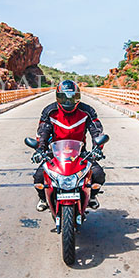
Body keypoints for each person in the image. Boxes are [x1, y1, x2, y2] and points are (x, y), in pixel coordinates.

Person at [33, 80, 106, 212]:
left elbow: (96, 131)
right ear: (58, 97)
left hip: (79, 152)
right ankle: (43, 198)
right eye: (64, 97)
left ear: (78, 97)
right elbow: (43, 131)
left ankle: (92, 197)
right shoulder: (50, 111)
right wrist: (40, 149)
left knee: (98, 174)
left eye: (72, 97)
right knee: (39, 176)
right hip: (55, 152)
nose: (68, 101)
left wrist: (97, 148)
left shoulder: (87, 111)